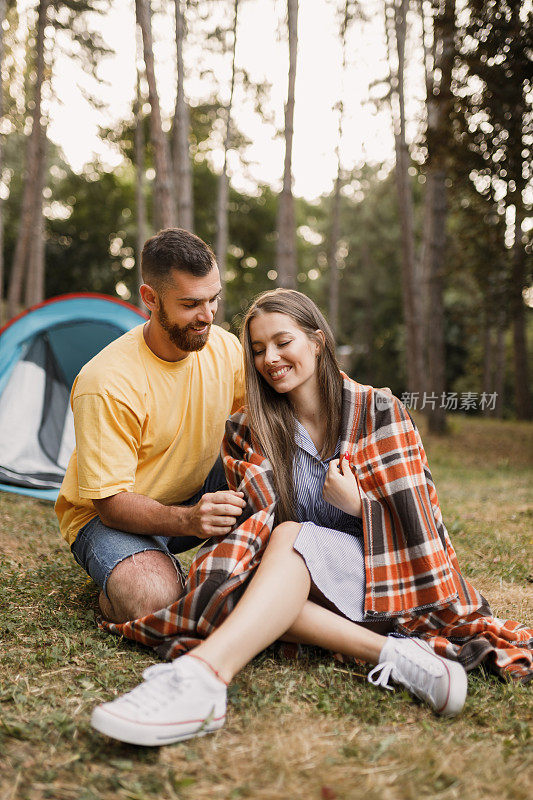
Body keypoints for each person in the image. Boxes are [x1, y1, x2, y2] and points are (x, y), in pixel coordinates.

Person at [91, 289, 530, 746]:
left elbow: (422, 526)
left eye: (283, 342)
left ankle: (201, 676)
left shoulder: (379, 411)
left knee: (287, 540)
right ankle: (395, 657)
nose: (270, 359)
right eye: (258, 350)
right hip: (293, 579)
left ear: (317, 341)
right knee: (258, 567)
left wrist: (359, 505)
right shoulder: (249, 428)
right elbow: (252, 532)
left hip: (383, 577)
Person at [55, 228, 246, 623]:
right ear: (150, 298)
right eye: (191, 303)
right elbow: (110, 504)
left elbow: (270, 411)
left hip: (194, 492)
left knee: (280, 458)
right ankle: (130, 580)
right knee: (155, 601)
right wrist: (190, 520)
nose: (207, 316)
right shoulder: (106, 382)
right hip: (109, 517)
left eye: (213, 300)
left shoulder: (224, 347)